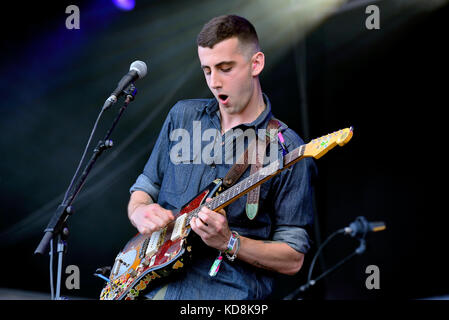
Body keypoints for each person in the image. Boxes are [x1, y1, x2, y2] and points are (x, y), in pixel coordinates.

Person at [127, 14, 316, 299]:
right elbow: (143, 189)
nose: (214, 82)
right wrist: (139, 211)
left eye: (225, 68)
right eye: (207, 70)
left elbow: (293, 259)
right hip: (149, 289)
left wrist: (229, 241)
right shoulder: (182, 116)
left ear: (256, 64)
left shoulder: (287, 149)